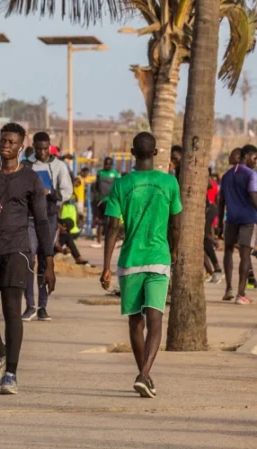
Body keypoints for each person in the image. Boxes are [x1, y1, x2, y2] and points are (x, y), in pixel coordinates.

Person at [0, 122, 55, 395]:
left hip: (18, 251)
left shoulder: (31, 179)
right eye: (3, 140)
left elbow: (41, 221)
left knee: (12, 311)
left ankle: (11, 374)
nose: (6, 145)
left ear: (20, 146)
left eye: (11, 142)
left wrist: (48, 262)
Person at [100, 131, 181, 398]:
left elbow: (112, 227)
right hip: (159, 258)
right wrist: (175, 250)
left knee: (136, 322)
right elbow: (176, 223)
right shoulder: (169, 183)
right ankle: (144, 375)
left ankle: (143, 374)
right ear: (156, 153)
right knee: (156, 317)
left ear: (132, 154)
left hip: (130, 260)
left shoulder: (121, 185)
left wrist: (106, 266)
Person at [23, 132, 72, 321]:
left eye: (45, 148)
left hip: (49, 216)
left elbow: (67, 191)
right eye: (39, 148)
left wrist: (50, 192)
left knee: (45, 258)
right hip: (28, 217)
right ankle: (29, 305)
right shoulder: (27, 165)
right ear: (33, 146)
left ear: (50, 146)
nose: (42, 152)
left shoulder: (59, 166)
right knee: (28, 257)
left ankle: (43, 306)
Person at [217, 144, 257, 304]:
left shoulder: (226, 176)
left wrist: (220, 222)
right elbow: (253, 197)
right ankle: (241, 294)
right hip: (248, 219)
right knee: (245, 255)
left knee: (228, 250)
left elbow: (221, 201)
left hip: (231, 218)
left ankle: (228, 289)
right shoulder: (250, 175)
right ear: (246, 157)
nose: (255, 162)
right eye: (254, 158)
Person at [91, 157, 121, 248]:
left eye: (109, 164)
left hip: (111, 201)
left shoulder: (115, 174)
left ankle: (116, 240)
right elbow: (96, 185)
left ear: (111, 164)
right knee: (100, 221)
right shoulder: (100, 173)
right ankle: (99, 241)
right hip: (101, 200)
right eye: (105, 164)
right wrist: (96, 196)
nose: (107, 165)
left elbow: (118, 186)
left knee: (113, 222)